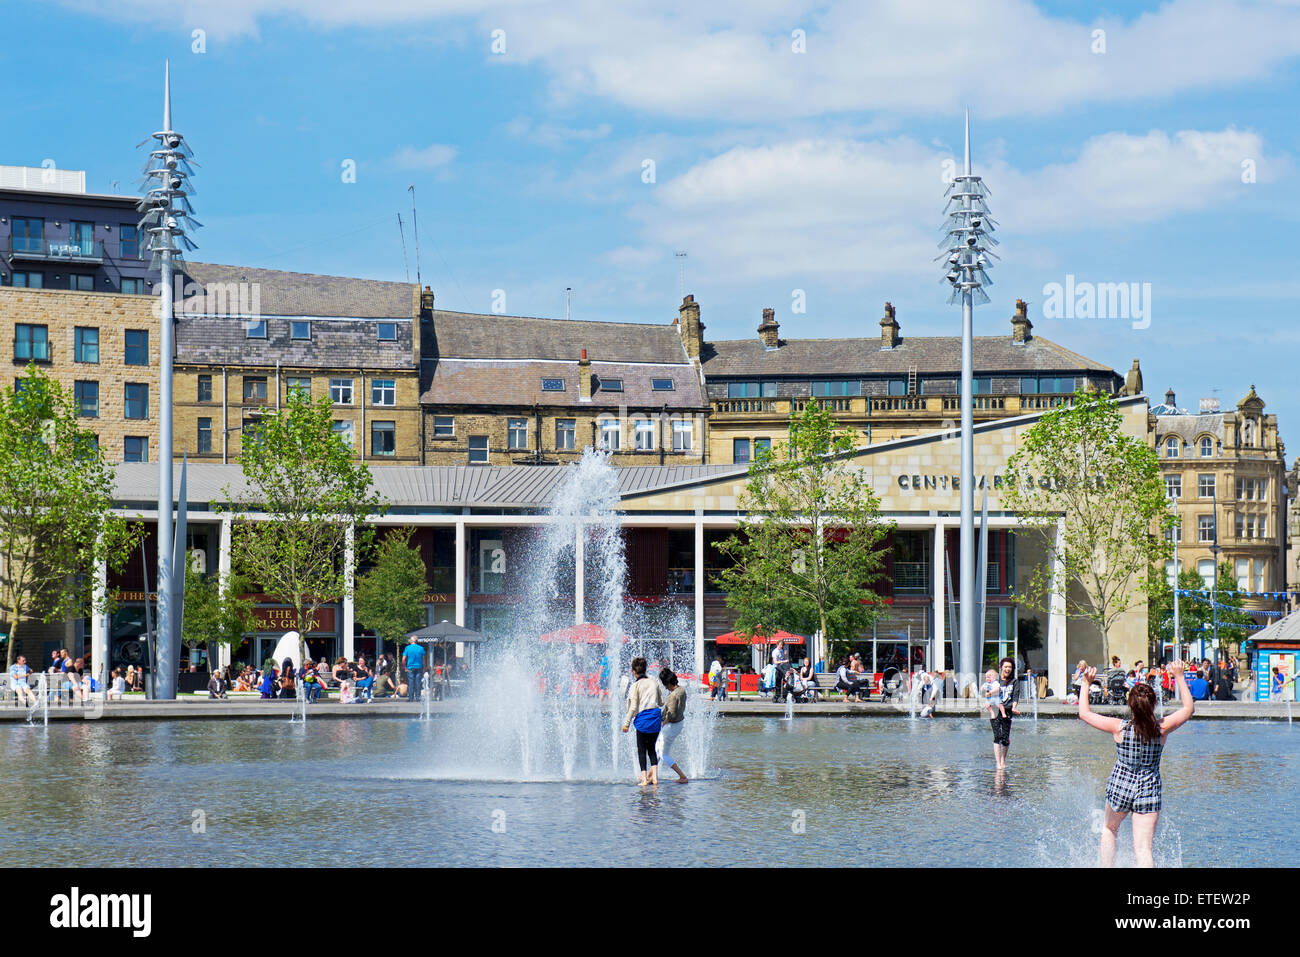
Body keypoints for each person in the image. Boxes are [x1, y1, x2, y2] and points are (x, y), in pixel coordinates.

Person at [1077, 660, 1194, 867]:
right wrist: (1179, 676)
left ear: (1131, 705)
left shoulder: (1119, 728)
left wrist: (1086, 683)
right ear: (1154, 705)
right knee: (1143, 849)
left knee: (1109, 829)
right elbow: (1188, 708)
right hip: (1148, 789)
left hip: (1120, 785)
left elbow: (1084, 714)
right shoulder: (1161, 729)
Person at [620, 657, 664, 786]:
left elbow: (633, 707)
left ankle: (644, 779)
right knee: (652, 749)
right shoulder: (654, 682)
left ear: (634, 671)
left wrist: (626, 723)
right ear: (645, 669)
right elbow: (661, 702)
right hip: (655, 718)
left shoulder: (635, 685)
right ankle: (655, 778)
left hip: (643, 719)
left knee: (641, 750)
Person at [656, 667, 689, 784]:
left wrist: (661, 725)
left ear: (668, 683)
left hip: (671, 726)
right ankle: (653, 775)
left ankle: (682, 776)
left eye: (665, 684)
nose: (665, 687)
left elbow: (671, 714)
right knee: (657, 749)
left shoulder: (673, 696)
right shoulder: (682, 690)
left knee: (663, 754)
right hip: (679, 724)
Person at [989, 657, 1022, 770]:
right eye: (1005, 667)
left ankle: (1003, 759)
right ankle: (998, 763)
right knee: (997, 736)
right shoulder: (996, 681)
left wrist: (1014, 708)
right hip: (995, 710)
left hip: (1008, 711)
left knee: (1005, 738)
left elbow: (1015, 696)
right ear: (1001, 667)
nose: (1007, 669)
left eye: (1010, 667)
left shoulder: (1014, 681)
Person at [402, 638, 425, 702]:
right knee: (418, 682)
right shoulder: (421, 648)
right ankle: (418, 698)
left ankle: (411, 698)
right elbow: (423, 659)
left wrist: (405, 667)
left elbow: (403, 659)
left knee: (411, 682)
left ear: (411, 641)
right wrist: (424, 668)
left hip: (410, 667)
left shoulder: (407, 648)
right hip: (419, 667)